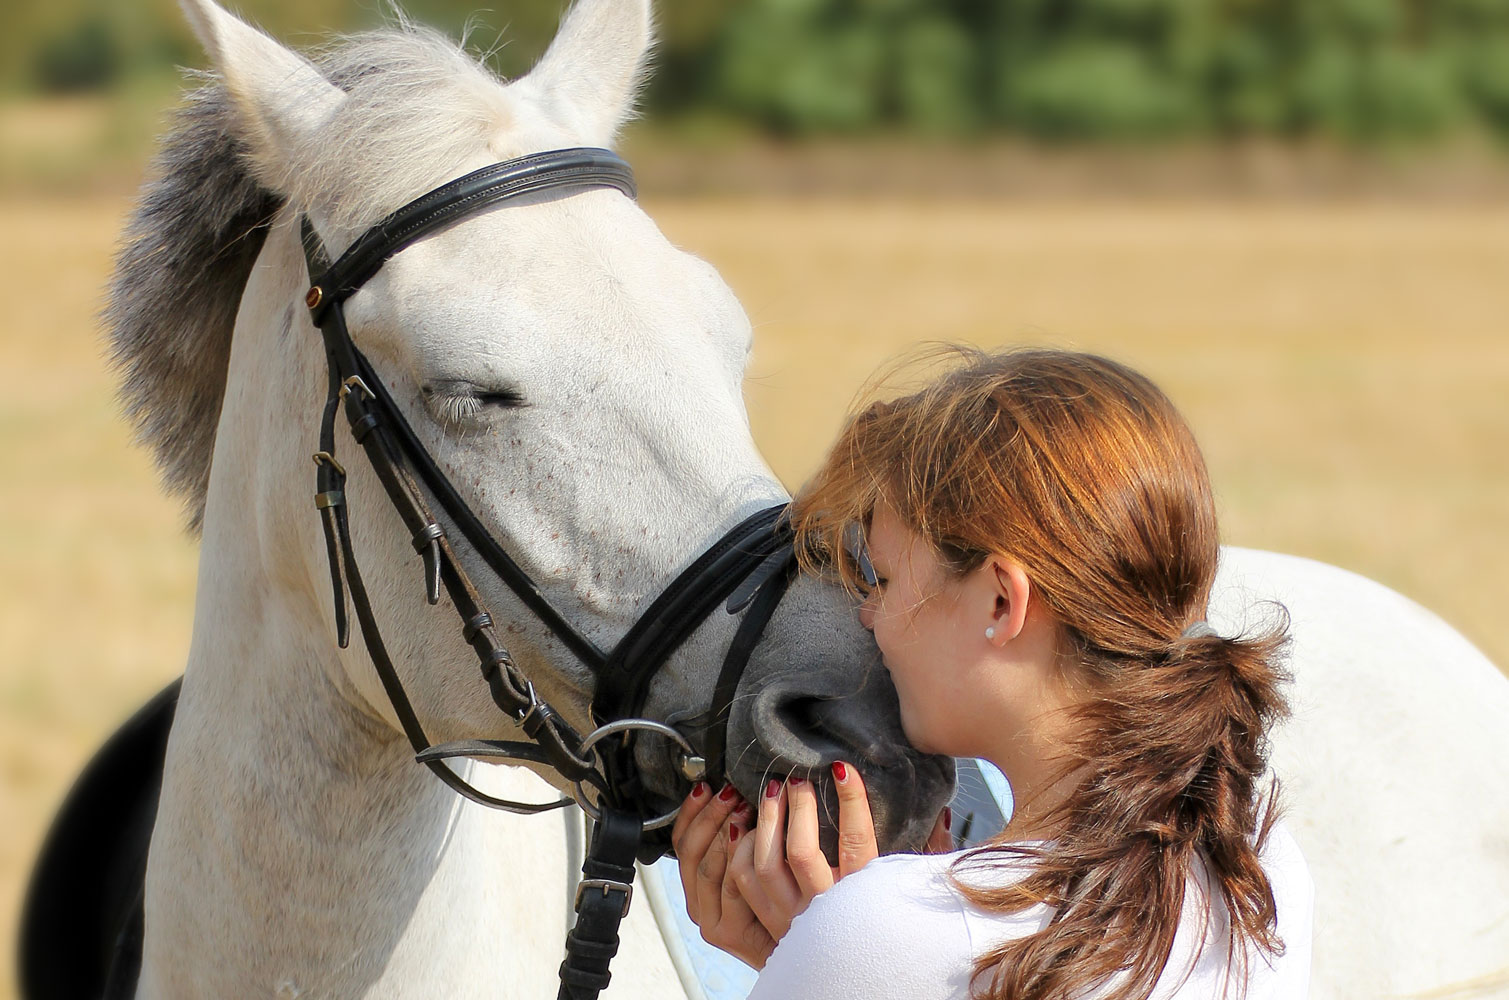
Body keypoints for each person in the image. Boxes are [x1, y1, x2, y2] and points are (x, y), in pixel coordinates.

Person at [671, 349, 1313, 1000]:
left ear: (1001, 602)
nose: (869, 617)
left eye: (884, 580)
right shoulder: (1259, 863)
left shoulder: (887, 931)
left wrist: (820, 953)